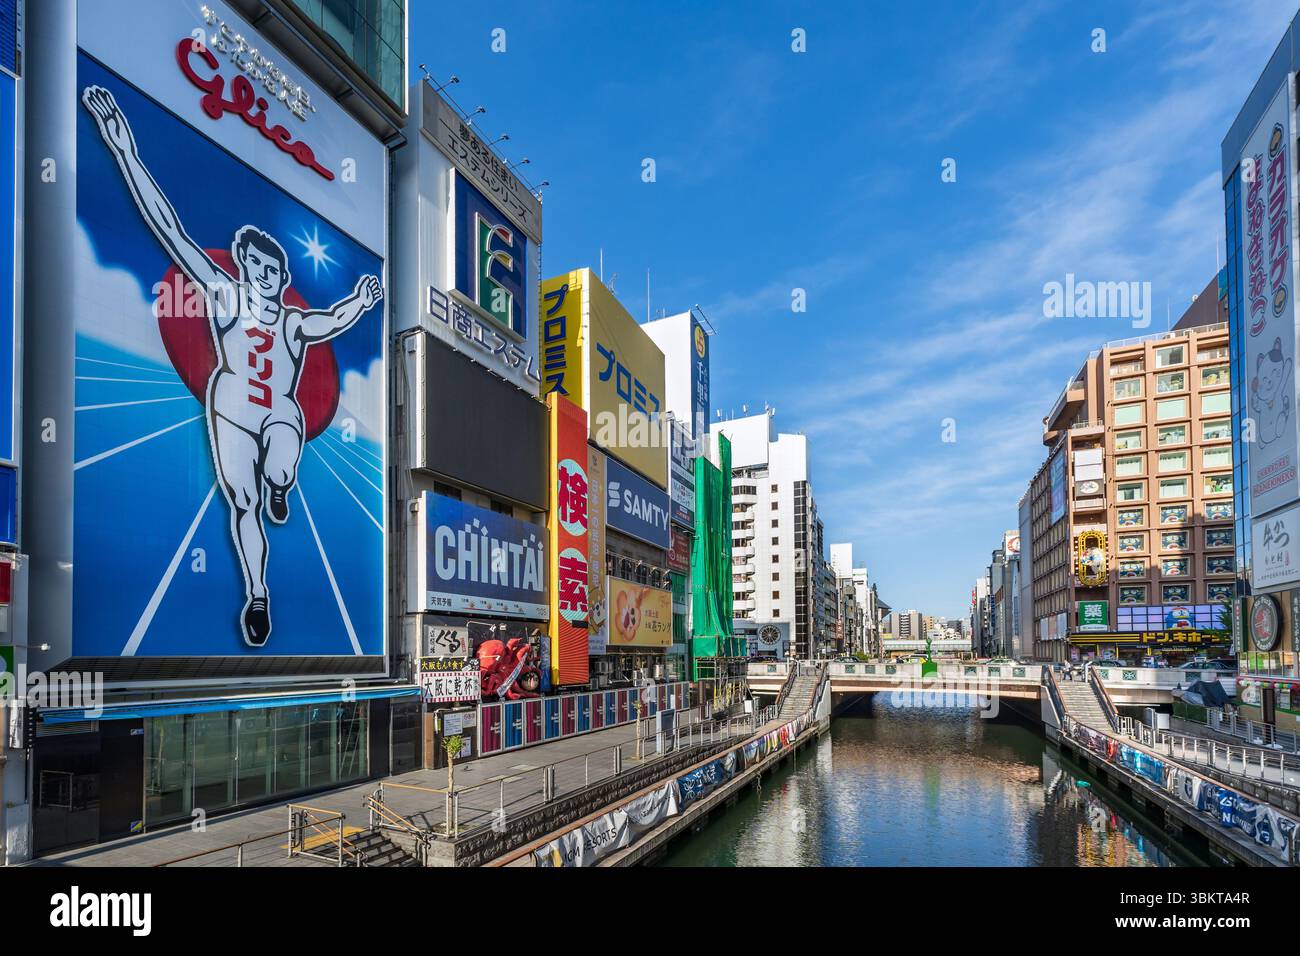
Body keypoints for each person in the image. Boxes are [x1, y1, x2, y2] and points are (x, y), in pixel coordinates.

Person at [82, 85, 383, 648]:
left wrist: (363, 303)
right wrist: (125, 151)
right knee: (241, 504)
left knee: (280, 464)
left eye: (274, 269)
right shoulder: (222, 296)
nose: (265, 277)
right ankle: (258, 594)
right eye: (256, 266)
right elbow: (170, 230)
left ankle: (282, 483)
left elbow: (332, 320)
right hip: (231, 407)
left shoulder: (293, 321)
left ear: (281, 274)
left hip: (278, 413)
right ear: (244, 266)